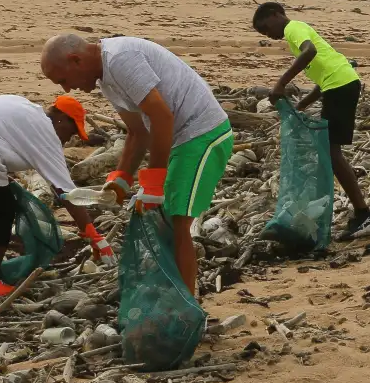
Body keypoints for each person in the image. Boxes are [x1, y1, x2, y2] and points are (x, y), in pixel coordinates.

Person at [40, 34, 233, 295]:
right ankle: (171, 291)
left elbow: (162, 117)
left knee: (177, 220)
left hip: (203, 134)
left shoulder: (120, 59)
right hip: (181, 140)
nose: (66, 89)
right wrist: (121, 179)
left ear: (76, 60)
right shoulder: (107, 79)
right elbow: (138, 132)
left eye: (63, 80)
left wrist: (153, 183)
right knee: (163, 219)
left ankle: (185, 306)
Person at [252, 2, 370, 241]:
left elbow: (310, 52)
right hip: (339, 85)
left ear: (276, 14)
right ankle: (360, 212)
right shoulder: (295, 37)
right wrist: (304, 104)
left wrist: (281, 83)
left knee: (332, 152)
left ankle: (364, 214)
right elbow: (324, 77)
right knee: (331, 151)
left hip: (341, 86)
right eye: (263, 34)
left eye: (266, 28)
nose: (268, 35)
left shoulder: (294, 28)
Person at [0, 93, 114, 299]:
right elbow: (65, 191)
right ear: (60, 118)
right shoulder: (46, 133)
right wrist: (93, 234)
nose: (69, 139)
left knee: (0, 201)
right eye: (72, 131)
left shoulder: (26, 107)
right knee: (3, 212)